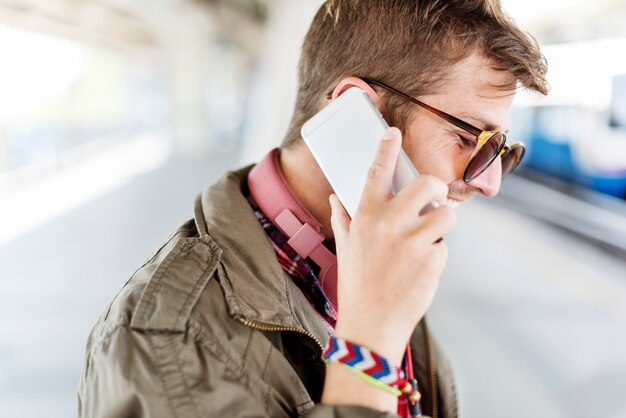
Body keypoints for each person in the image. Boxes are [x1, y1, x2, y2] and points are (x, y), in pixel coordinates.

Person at [78, 1, 548, 417]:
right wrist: (369, 346)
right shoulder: (168, 340)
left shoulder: (377, 253)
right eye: (471, 138)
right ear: (356, 113)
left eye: (501, 150)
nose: (489, 182)